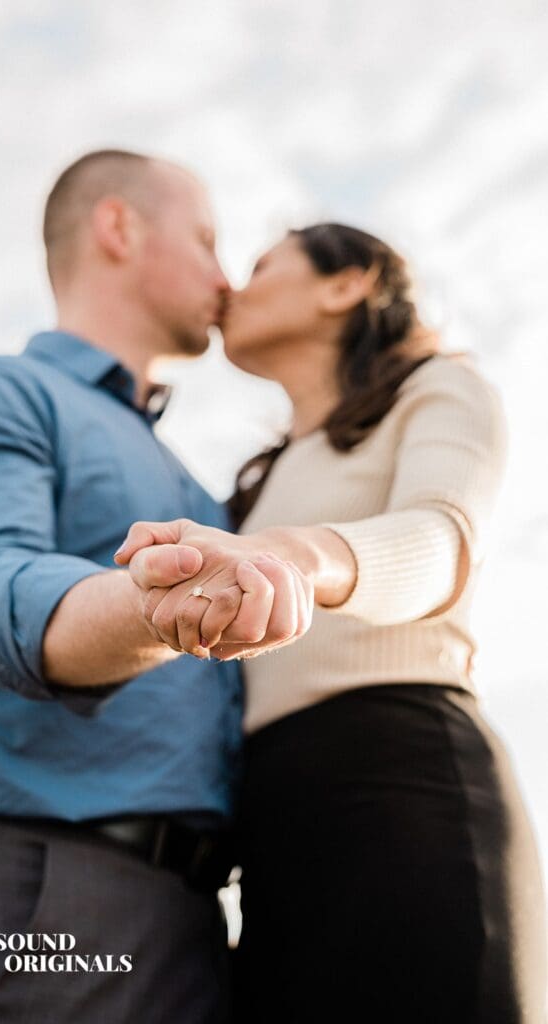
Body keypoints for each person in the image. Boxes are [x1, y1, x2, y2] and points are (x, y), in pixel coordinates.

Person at [0, 150, 314, 1024]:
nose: (225, 280)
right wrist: (157, 607)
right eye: (206, 240)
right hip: (38, 894)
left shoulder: (192, 489)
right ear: (119, 228)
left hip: (185, 921)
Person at [115, 223, 547, 1022]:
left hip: (403, 783)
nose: (229, 291)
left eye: (258, 266)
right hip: (273, 823)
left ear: (345, 284)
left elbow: (441, 537)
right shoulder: (255, 484)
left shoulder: (439, 388)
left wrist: (300, 557)